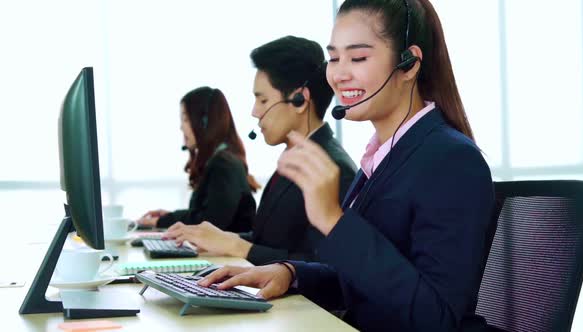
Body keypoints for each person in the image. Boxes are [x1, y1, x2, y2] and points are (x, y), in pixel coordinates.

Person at [196, 1, 494, 331]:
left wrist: (333, 221)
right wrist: (291, 274)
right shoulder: (385, 155)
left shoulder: (452, 160)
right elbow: (366, 281)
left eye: (358, 57)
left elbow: (435, 317)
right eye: (334, 58)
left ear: (408, 64)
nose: (338, 74)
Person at [164, 36, 357, 265]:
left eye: (263, 100)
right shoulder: (293, 161)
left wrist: (237, 246)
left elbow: (325, 265)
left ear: (299, 100)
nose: (255, 112)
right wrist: (221, 239)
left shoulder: (333, 169)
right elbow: (268, 242)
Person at [137, 87, 260, 233]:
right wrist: (169, 216)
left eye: (185, 119)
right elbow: (206, 213)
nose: (181, 127)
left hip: (228, 255)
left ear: (205, 122)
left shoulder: (224, 164)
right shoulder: (219, 160)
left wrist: (162, 221)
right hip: (220, 254)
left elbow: (210, 223)